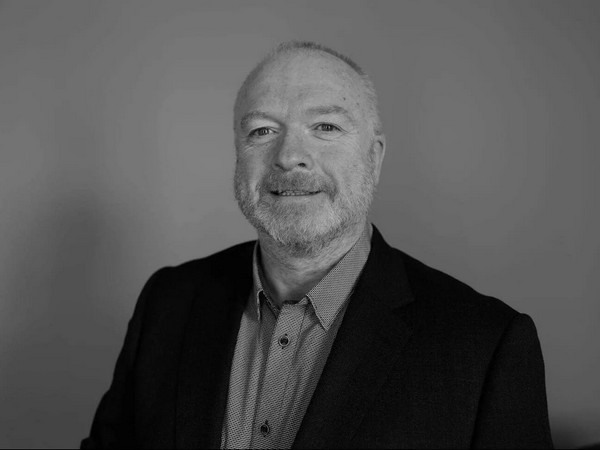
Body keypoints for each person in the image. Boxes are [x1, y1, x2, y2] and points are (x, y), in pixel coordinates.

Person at [81, 41, 553, 449]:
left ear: (374, 157)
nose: (289, 157)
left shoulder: (485, 347)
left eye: (326, 127)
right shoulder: (167, 303)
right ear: (237, 156)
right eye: (262, 130)